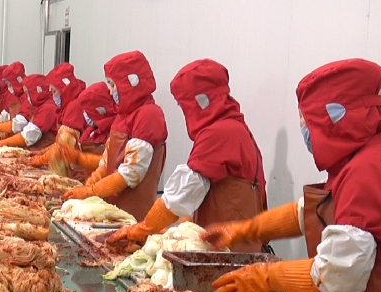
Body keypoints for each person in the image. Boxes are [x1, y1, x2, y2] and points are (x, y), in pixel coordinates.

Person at [206, 58, 381, 292]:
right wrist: (245, 229)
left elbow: (338, 275)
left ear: (332, 116)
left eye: (306, 119)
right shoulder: (356, 163)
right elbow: (307, 213)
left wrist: (264, 277)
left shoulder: (368, 171)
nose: (303, 127)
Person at [107, 59, 267, 248]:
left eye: (184, 105)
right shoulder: (234, 128)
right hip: (233, 245)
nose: (185, 112)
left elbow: (180, 195)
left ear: (200, 100)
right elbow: (203, 192)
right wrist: (179, 228)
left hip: (230, 252)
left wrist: (143, 228)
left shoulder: (220, 133)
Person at [62, 50, 168, 222]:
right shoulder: (122, 116)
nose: (110, 92)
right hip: (115, 206)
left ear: (130, 82)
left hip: (135, 211)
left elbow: (131, 173)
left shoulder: (148, 115)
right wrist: (87, 188)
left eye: (113, 85)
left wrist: (91, 191)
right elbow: (105, 163)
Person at [55, 82, 118, 178]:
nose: (85, 115)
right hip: (89, 181)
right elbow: (76, 150)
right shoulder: (90, 131)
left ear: (99, 110)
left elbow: (111, 163)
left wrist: (80, 158)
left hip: (105, 183)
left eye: (87, 111)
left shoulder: (115, 132)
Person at [28, 62, 86, 167]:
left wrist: (39, 160)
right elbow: (59, 144)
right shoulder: (67, 106)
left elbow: (63, 146)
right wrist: (41, 153)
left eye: (54, 92)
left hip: (75, 167)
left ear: (64, 89)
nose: (53, 96)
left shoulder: (74, 107)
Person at [0, 73, 59, 150]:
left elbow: (29, 136)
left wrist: (4, 143)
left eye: (27, 93)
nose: (27, 97)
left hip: (45, 151)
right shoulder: (38, 105)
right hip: (37, 150)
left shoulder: (47, 108)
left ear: (36, 92)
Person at [0, 61, 28, 139]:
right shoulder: (20, 96)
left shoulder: (27, 98)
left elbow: (19, 123)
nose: (9, 87)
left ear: (16, 81)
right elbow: (7, 115)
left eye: (9, 84)